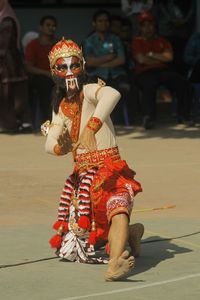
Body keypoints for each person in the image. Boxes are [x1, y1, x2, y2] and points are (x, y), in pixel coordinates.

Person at [42, 38, 144, 281]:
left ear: (83, 65)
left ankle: (115, 265)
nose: (69, 72)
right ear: (53, 72)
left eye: (74, 65)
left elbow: (112, 94)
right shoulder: (59, 107)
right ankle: (131, 234)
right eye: (62, 67)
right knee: (94, 235)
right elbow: (50, 142)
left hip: (110, 169)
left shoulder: (90, 91)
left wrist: (92, 127)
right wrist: (61, 147)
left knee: (117, 208)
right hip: (84, 180)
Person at [131, 11, 193, 129]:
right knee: (149, 86)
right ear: (140, 28)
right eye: (144, 25)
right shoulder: (137, 41)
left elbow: (169, 58)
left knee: (183, 83)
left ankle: (184, 117)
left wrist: (150, 54)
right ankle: (149, 118)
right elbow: (141, 60)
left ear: (155, 26)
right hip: (144, 72)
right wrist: (160, 58)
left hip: (162, 71)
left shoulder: (163, 41)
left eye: (150, 25)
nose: (148, 28)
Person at [82, 9, 131, 126]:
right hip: (97, 75)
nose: (103, 23)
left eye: (106, 21)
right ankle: (98, 123)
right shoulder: (88, 41)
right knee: (94, 90)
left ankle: (122, 123)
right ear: (94, 23)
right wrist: (109, 57)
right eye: (100, 21)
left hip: (116, 73)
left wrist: (99, 62)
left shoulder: (115, 39)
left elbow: (121, 59)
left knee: (124, 88)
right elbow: (88, 62)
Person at [0, 0, 31, 133]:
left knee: (8, 95)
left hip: (7, 64)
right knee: (14, 94)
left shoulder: (6, 20)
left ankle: (11, 124)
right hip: (11, 64)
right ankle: (20, 123)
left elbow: (3, 44)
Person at [25, 15, 57, 132]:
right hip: (40, 77)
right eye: (48, 25)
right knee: (44, 86)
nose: (51, 28)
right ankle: (46, 125)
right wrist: (47, 73)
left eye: (53, 26)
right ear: (41, 27)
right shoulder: (33, 45)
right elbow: (28, 67)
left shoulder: (58, 44)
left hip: (58, 76)